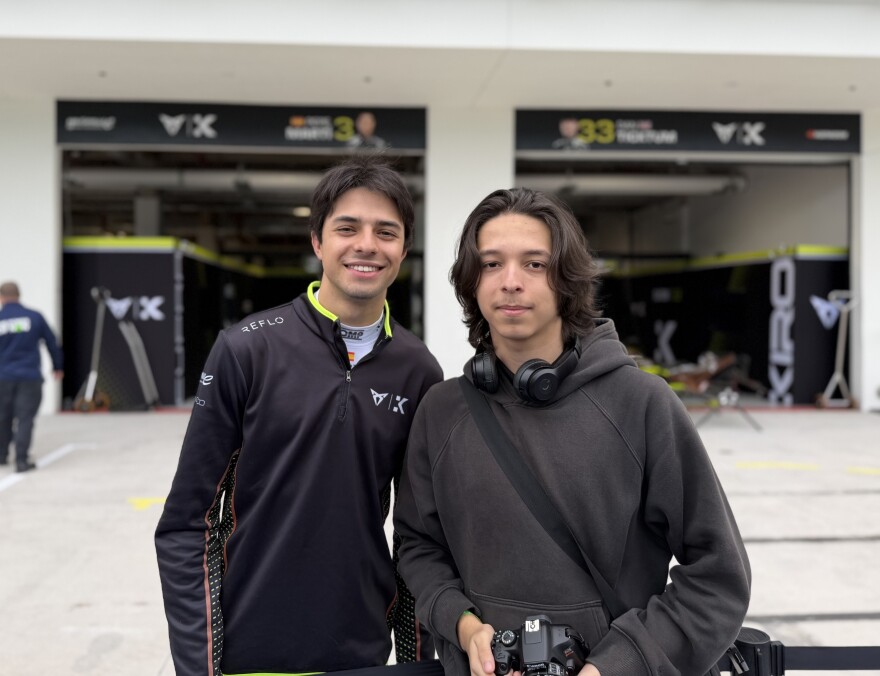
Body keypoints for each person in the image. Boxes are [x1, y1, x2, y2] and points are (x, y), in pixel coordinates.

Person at [393, 188, 751, 676]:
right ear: (472, 282)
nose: (511, 282)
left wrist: (621, 663)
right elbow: (418, 546)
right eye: (492, 264)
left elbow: (718, 576)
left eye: (535, 264)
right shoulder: (441, 410)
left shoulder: (642, 404)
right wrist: (461, 623)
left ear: (567, 279)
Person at [155, 157, 443, 676]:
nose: (366, 245)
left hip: (360, 653)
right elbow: (184, 524)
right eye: (347, 228)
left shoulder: (417, 370)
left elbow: (418, 534)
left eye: (386, 231)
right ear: (317, 241)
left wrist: (417, 661)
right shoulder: (246, 349)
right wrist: (200, 666)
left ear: (403, 249)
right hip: (248, 650)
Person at [0, 281, 64, 472]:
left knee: (3, 417)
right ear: (19, 296)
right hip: (29, 377)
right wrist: (57, 366)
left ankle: (2, 455)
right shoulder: (34, 317)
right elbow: (52, 342)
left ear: (2, 298)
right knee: (25, 418)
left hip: (3, 378)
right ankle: (21, 460)